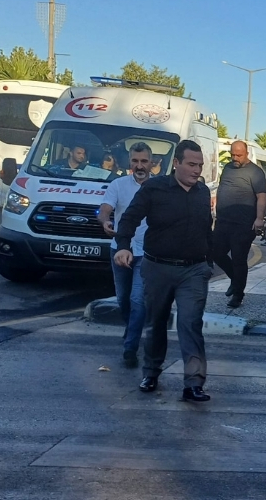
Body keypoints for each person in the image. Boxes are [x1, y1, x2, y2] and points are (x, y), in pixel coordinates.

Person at [114, 140, 214, 402]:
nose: (196, 170)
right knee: (156, 322)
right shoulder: (154, 188)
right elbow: (129, 219)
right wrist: (123, 246)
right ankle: (151, 373)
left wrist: (209, 263)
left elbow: (207, 230)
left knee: (190, 323)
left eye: (200, 165)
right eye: (191, 165)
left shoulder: (203, 192)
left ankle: (194, 383)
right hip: (157, 268)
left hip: (193, 271)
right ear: (177, 164)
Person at [98, 143, 154, 368]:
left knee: (137, 300)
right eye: (135, 161)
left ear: (152, 163)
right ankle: (131, 328)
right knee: (123, 299)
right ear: (129, 162)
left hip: (147, 252)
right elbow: (104, 209)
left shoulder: (160, 186)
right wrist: (105, 221)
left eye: (143, 161)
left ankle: (130, 348)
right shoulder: (118, 184)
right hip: (121, 249)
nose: (139, 166)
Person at [213, 140, 266, 308]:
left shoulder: (255, 172)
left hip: (244, 224)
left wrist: (259, 219)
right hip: (223, 222)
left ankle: (238, 295)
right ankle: (235, 280)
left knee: (238, 258)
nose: (235, 158)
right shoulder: (228, 168)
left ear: (246, 154)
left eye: (239, 155)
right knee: (215, 252)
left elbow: (262, 197)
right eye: (233, 155)